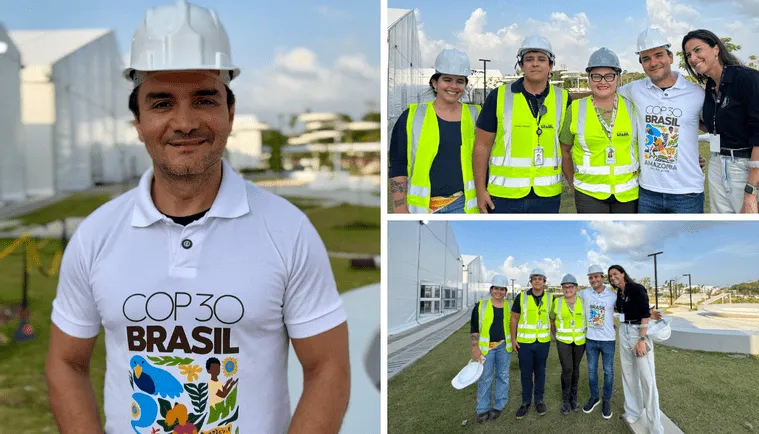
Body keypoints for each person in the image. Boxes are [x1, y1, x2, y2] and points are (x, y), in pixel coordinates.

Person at [45, 2, 350, 433]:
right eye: (162, 102)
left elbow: (328, 368)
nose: (184, 122)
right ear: (138, 120)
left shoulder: (288, 231)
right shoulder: (97, 235)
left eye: (204, 99)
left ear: (229, 112)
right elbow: (65, 361)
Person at [472, 35, 572, 213]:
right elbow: (481, 145)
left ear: (550, 66)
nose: (535, 64)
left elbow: (567, 148)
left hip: (547, 196)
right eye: (529, 59)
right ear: (521, 65)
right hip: (503, 196)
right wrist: (480, 190)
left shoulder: (563, 99)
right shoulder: (499, 96)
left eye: (542, 59)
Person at [619, 27, 707, 213]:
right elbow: (604, 93)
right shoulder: (633, 90)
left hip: (687, 192)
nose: (653, 63)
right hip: (649, 192)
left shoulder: (697, 93)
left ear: (670, 57)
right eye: (646, 58)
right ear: (641, 63)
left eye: (659, 55)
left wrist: (693, 156)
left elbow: (713, 127)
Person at [682, 29, 759, 214]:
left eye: (698, 50)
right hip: (717, 165)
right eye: (688, 55)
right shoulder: (711, 86)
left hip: (747, 167)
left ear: (716, 49)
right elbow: (714, 127)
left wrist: (751, 191)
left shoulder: (750, 80)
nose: (693, 58)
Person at [389, 49, 482, 213]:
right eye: (447, 80)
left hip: (463, 206)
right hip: (420, 208)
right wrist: (400, 209)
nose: (454, 86)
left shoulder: (477, 116)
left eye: (460, 81)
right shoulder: (412, 116)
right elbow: (398, 164)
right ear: (435, 83)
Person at [561, 48, 640, 213]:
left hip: (628, 192)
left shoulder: (632, 107)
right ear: (589, 78)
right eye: (596, 76)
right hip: (588, 193)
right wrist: (571, 181)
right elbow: (564, 151)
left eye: (609, 76)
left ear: (617, 78)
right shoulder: (575, 109)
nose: (602, 82)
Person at [608, 265, 663, 433]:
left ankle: (655, 426)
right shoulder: (620, 293)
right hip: (624, 331)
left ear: (623, 274)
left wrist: (641, 339)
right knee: (628, 374)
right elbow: (626, 312)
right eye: (610, 276)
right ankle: (634, 410)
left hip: (638, 332)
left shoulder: (636, 288)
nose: (613, 278)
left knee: (647, 379)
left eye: (615, 274)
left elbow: (645, 315)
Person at [511, 268, 554, 418]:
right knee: (526, 373)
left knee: (540, 372)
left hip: (543, 343)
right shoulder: (521, 297)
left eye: (540, 278)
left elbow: (554, 318)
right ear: (531, 281)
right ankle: (525, 402)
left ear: (544, 282)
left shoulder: (550, 298)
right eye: (534, 278)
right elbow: (514, 318)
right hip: (525, 343)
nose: (537, 281)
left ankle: (539, 400)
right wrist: (513, 339)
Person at [470, 275, 513, 423]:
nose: (499, 292)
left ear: (505, 291)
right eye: (496, 289)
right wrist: (475, 348)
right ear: (491, 289)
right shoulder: (481, 305)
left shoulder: (509, 306)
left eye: (502, 289)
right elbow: (475, 329)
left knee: (503, 376)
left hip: (503, 347)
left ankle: (499, 405)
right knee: (485, 378)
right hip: (486, 349)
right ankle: (482, 409)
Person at [579, 264, 617, 419]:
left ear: (602, 277)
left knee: (608, 371)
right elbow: (568, 296)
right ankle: (594, 397)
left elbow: (625, 309)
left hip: (608, 340)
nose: (593, 279)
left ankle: (606, 400)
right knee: (592, 371)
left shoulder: (613, 295)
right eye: (590, 277)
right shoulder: (584, 294)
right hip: (591, 340)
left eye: (596, 276)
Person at [550, 274, 587, 415]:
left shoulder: (583, 302)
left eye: (571, 286)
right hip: (563, 341)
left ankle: (574, 397)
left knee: (576, 369)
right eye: (565, 287)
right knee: (567, 369)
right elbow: (552, 320)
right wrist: (556, 336)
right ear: (562, 288)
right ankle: (565, 400)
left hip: (579, 340)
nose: (568, 289)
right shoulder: (557, 302)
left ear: (576, 288)